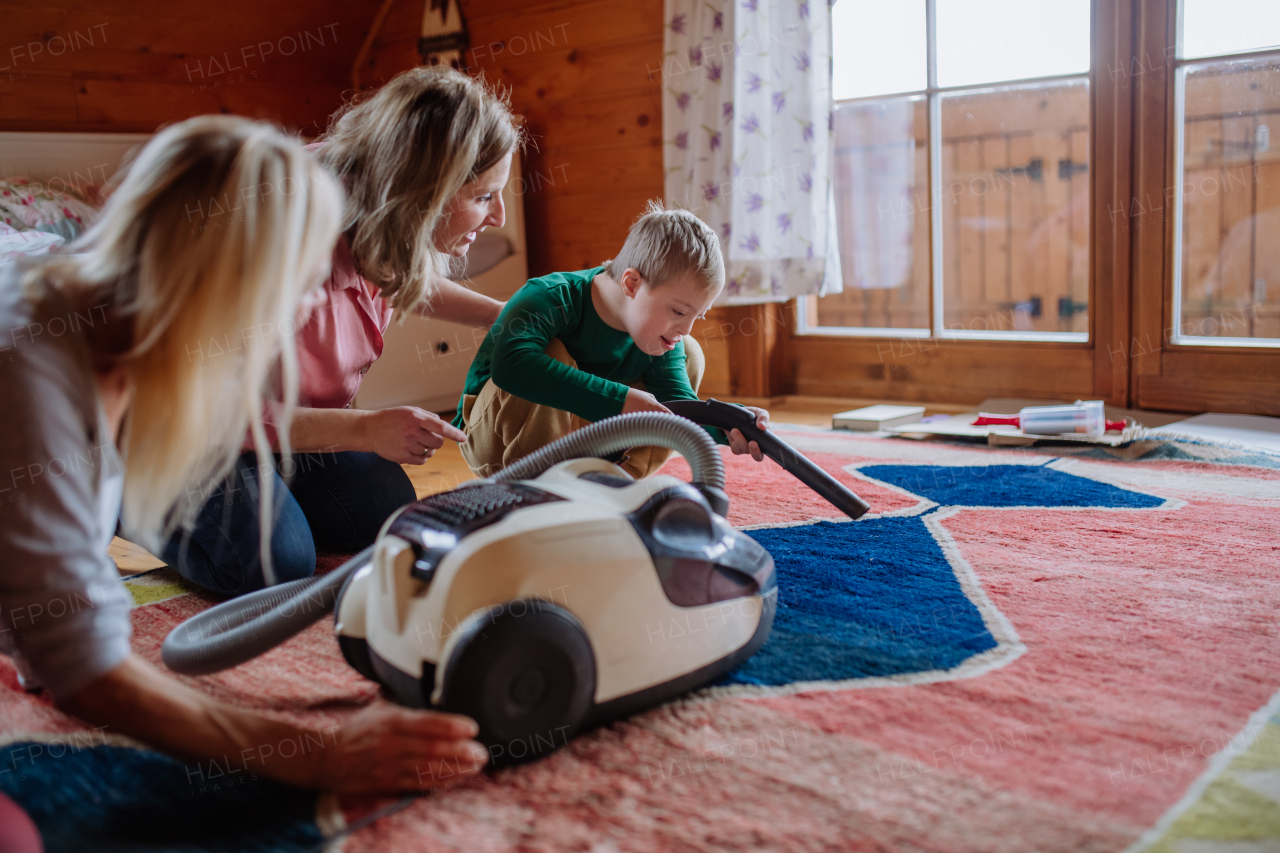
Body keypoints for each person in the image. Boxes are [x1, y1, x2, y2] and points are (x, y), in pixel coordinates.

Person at [0, 116, 487, 794]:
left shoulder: (117, 341)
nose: (317, 299)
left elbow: (55, 627)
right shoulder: (35, 368)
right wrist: (322, 756)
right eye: (303, 276)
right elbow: (80, 665)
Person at [163, 66, 521, 596]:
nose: (498, 216)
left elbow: (395, 275)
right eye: (484, 196)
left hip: (287, 426)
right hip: (189, 434)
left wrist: (506, 315)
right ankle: (135, 499)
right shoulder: (284, 235)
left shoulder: (374, 195)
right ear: (424, 191)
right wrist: (365, 431)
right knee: (272, 566)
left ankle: (270, 496)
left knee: (387, 516)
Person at [455, 201, 770, 480]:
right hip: (496, 447)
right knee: (549, 354)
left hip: (587, 444)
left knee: (689, 351)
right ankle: (538, 487)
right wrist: (620, 402)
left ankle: (616, 480)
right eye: (677, 311)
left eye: (695, 317)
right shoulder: (549, 296)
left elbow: (676, 401)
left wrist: (730, 422)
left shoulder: (655, 333)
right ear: (632, 283)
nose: (685, 327)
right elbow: (511, 366)